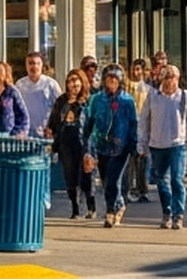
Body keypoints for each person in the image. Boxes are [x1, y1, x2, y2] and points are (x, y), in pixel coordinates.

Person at [142, 65, 187, 229]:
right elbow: (144, 120)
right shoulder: (153, 96)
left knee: (177, 180)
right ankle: (166, 212)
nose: (169, 80)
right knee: (162, 181)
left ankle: (178, 214)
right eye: (166, 77)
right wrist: (142, 143)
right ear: (161, 78)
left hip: (178, 144)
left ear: (178, 78)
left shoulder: (184, 96)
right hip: (157, 144)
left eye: (172, 77)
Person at [85, 65, 139, 227]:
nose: (112, 82)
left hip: (121, 146)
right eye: (109, 79)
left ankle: (110, 211)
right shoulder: (97, 99)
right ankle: (118, 204)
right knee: (105, 180)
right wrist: (88, 146)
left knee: (113, 180)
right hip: (102, 144)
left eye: (115, 79)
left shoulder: (127, 100)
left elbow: (133, 123)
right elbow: (89, 122)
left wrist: (133, 144)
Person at [49, 68, 98, 219]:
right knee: (70, 177)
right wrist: (51, 132)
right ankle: (75, 208)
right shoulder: (61, 101)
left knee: (86, 176)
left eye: (76, 80)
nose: (73, 84)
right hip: (66, 143)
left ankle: (91, 207)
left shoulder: (89, 101)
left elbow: (94, 124)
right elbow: (54, 121)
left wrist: (91, 145)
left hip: (84, 142)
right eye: (70, 81)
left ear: (82, 82)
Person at [125, 59, 152, 202]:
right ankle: (128, 188)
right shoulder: (126, 88)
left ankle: (143, 190)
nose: (136, 72)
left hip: (143, 129)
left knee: (142, 161)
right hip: (129, 129)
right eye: (134, 69)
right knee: (129, 162)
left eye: (139, 69)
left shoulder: (148, 90)